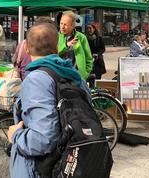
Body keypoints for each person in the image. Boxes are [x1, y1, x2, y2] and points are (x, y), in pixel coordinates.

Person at [8, 23, 90, 178]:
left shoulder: (36, 79)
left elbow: (42, 139)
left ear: (26, 49)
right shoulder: (75, 76)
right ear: (57, 48)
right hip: (72, 165)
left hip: (40, 169)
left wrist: (16, 134)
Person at [58, 11, 93, 80]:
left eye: (66, 24)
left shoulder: (81, 37)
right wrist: (66, 45)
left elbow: (88, 58)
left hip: (77, 78)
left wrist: (85, 74)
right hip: (60, 77)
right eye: (61, 23)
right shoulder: (55, 36)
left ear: (73, 25)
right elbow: (52, 55)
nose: (62, 27)